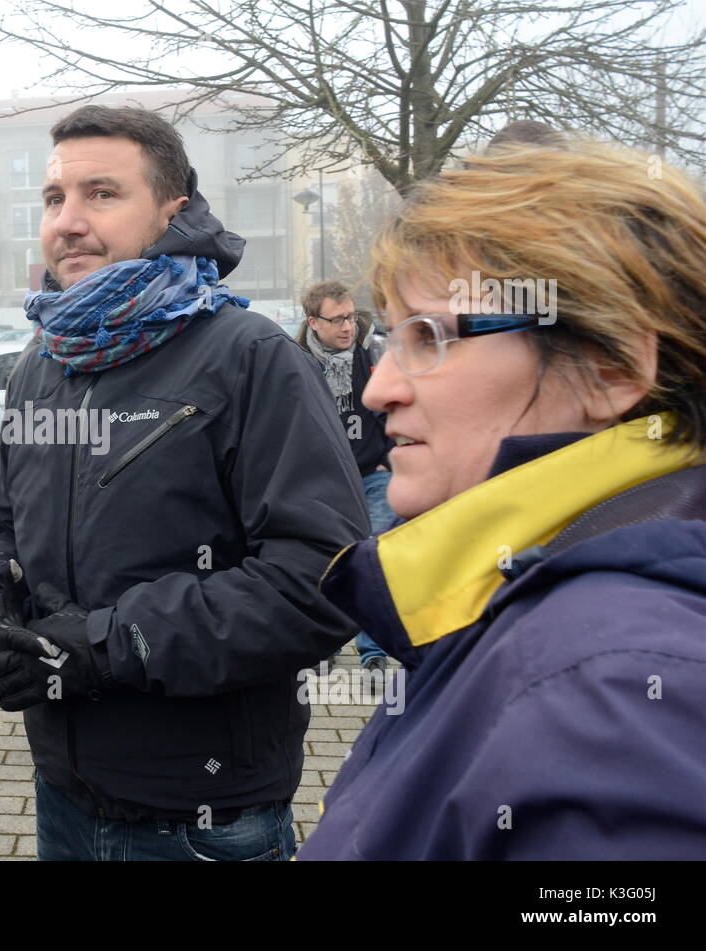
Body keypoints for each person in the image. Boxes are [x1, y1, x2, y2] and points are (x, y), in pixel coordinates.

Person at [0, 106, 369, 861]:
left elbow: (322, 578)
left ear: (173, 212)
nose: (68, 222)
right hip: (64, 790)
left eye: (102, 194)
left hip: (202, 818)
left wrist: (112, 644)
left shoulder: (251, 358)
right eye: (54, 199)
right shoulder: (43, 363)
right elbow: (0, 520)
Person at [299, 138, 706, 860]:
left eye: (427, 336)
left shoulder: (608, 682)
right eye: (389, 337)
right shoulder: (542, 593)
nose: (378, 388)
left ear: (612, 366)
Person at [297, 281, 395, 673]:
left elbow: (388, 410)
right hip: (321, 481)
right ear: (314, 322)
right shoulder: (295, 361)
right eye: (337, 319)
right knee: (325, 561)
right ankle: (327, 646)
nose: (347, 327)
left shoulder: (371, 354)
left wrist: (389, 458)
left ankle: (373, 651)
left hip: (373, 475)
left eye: (351, 316)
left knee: (375, 561)